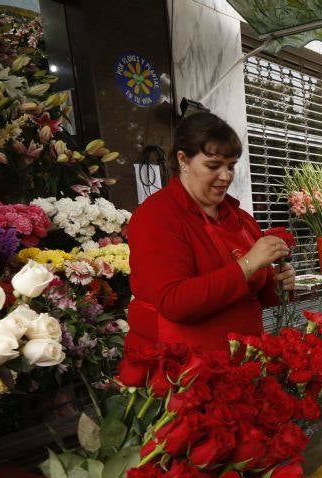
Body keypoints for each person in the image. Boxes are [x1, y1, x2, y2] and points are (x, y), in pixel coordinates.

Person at [127, 112, 296, 352]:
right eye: (213, 165)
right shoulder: (157, 215)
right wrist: (248, 264)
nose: (226, 176)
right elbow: (174, 302)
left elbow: (255, 294)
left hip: (244, 360)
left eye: (231, 166)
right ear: (183, 160)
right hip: (188, 368)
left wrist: (278, 283)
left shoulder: (240, 218)